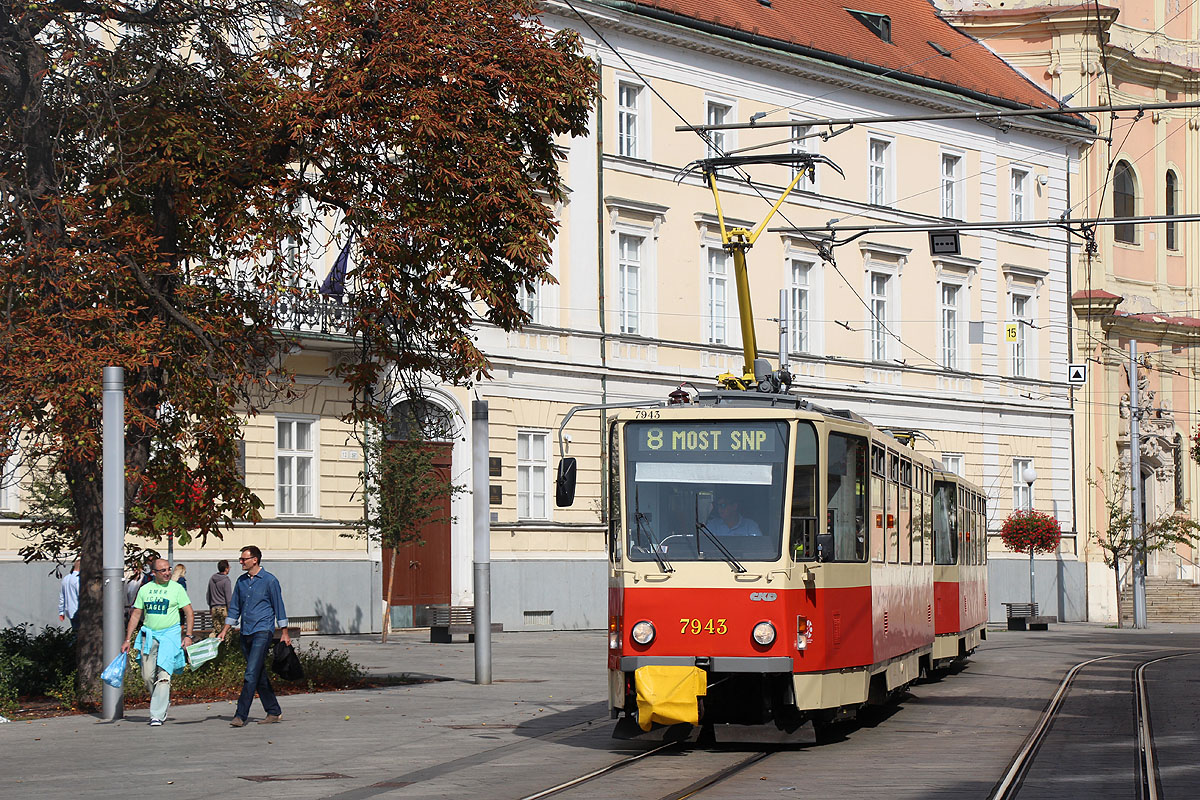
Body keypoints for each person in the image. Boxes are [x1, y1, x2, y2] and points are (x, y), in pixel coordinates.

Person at [217, 545, 290, 727]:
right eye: (240, 559)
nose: (241, 562)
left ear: (255, 560)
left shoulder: (270, 581)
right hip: (246, 632)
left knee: (250, 673)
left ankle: (240, 715)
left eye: (244, 559)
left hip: (263, 631)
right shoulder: (241, 581)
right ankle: (273, 711)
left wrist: (284, 632)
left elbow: (279, 606)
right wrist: (225, 630)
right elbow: (235, 607)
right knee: (258, 673)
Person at [122, 558, 194, 726]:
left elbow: (189, 612)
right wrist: (127, 639)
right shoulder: (145, 589)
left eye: (169, 569)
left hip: (170, 635)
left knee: (164, 676)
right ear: (154, 573)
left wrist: (188, 636)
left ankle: (157, 715)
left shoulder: (177, 588)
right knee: (147, 676)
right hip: (149, 635)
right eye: (163, 570)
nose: (168, 573)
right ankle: (162, 699)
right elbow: (136, 614)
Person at [206, 559, 232, 635]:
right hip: (224, 608)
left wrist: (210, 607)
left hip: (214, 608)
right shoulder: (226, 580)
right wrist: (230, 610)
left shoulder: (212, 579)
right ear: (226, 569)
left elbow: (208, 595)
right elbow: (228, 597)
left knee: (216, 631)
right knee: (226, 631)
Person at [57, 559, 81, 631]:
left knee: (75, 631)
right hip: (78, 611)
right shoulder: (78, 579)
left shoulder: (66, 578)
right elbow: (81, 596)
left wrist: (61, 612)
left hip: (70, 611)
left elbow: (62, 596)